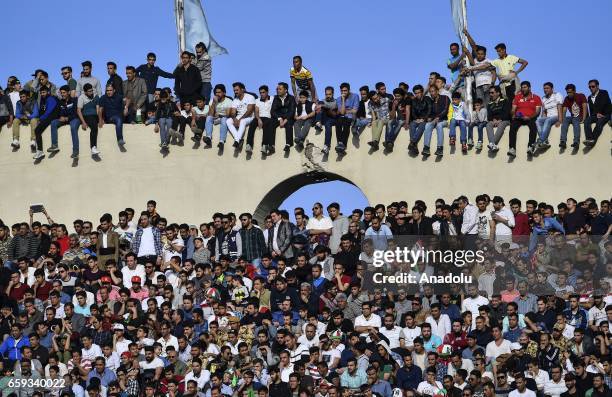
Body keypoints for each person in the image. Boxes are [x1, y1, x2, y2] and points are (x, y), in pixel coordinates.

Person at [508, 81, 542, 157]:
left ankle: (530, 147)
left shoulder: (536, 97)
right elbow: (513, 109)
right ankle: (512, 149)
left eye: (525, 87)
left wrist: (529, 117)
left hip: (530, 118)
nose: (523, 89)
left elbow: (537, 112)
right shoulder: (517, 97)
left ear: (529, 88)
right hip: (519, 118)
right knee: (512, 127)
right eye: (522, 87)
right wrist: (513, 114)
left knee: (533, 127)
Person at [48, 85, 80, 157]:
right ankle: (54, 145)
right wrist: (61, 117)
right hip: (64, 120)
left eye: (64, 92)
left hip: (74, 119)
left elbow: (76, 113)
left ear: (68, 92)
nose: (62, 94)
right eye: (61, 93)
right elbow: (59, 112)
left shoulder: (75, 100)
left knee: (73, 126)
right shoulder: (60, 102)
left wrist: (67, 118)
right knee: (53, 122)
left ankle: (75, 151)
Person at [32, 85, 59, 160]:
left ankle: (40, 151)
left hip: (52, 117)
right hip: (47, 117)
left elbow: (49, 111)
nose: (42, 94)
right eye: (41, 93)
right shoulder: (43, 100)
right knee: (37, 131)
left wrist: (41, 119)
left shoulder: (50, 98)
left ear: (48, 92)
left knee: (37, 130)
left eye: (44, 92)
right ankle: (40, 151)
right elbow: (42, 111)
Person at [246, 85, 275, 155]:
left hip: (268, 118)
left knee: (267, 126)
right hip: (259, 117)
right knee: (252, 124)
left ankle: (264, 145)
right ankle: (249, 145)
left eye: (263, 92)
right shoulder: (257, 100)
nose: (262, 94)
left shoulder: (272, 98)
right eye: (260, 93)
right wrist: (258, 119)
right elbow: (256, 111)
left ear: (267, 92)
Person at [423, 85, 450, 157]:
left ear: (437, 91)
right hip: (435, 120)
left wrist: (438, 117)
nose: (431, 93)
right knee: (428, 125)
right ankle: (426, 148)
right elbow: (431, 113)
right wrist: (429, 118)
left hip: (445, 120)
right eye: (430, 92)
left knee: (439, 125)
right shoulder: (432, 102)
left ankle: (440, 148)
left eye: (433, 91)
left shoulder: (445, 98)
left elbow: (446, 109)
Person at [226, 82, 255, 149]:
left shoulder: (250, 97)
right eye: (234, 90)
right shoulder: (235, 100)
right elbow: (233, 112)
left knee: (243, 121)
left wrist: (240, 119)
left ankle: (236, 140)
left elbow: (249, 111)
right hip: (239, 116)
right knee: (228, 121)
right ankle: (239, 139)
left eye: (237, 90)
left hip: (249, 117)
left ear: (242, 90)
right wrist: (234, 119)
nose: (235, 92)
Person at [583, 79, 611, 147]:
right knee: (587, 121)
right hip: (595, 115)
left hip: (605, 114)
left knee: (599, 123)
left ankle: (592, 140)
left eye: (593, 86)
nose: (591, 88)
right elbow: (591, 110)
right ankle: (589, 139)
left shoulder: (604, 92)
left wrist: (601, 114)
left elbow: (605, 104)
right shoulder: (589, 97)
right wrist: (596, 114)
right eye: (589, 87)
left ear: (597, 86)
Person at [535, 82, 563, 150]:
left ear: (552, 89)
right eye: (544, 88)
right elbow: (544, 111)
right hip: (548, 117)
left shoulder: (557, 95)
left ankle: (541, 140)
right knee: (538, 121)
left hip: (556, 116)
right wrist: (542, 119)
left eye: (547, 88)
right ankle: (544, 141)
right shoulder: (543, 98)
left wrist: (560, 120)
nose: (545, 90)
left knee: (547, 121)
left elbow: (560, 108)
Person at [559, 84, 588, 149]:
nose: (569, 94)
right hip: (573, 117)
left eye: (570, 92)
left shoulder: (581, 96)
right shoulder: (567, 98)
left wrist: (583, 119)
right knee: (565, 120)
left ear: (574, 91)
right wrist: (563, 119)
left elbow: (585, 106)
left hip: (580, 116)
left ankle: (576, 142)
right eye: (567, 92)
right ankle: (563, 141)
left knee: (575, 121)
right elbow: (564, 109)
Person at [205, 84, 233, 149]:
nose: (217, 94)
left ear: (224, 93)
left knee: (224, 119)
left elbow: (228, 114)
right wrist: (214, 103)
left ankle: (221, 141)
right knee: (209, 118)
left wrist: (219, 115)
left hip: (224, 118)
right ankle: (208, 137)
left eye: (219, 92)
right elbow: (210, 114)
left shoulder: (229, 101)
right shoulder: (212, 100)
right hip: (216, 119)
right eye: (216, 92)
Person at [76, 83, 101, 157]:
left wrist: (100, 119)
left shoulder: (96, 96)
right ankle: (93, 147)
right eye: (89, 91)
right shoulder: (81, 98)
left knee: (95, 124)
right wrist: (83, 122)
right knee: (94, 127)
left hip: (94, 116)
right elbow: (78, 111)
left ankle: (94, 147)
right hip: (87, 116)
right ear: (85, 92)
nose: (91, 92)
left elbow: (97, 108)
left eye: (92, 90)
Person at [334, 82, 359, 154]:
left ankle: (343, 144)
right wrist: (343, 100)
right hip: (342, 117)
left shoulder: (355, 96)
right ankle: (340, 143)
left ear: (349, 90)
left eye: (345, 91)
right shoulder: (339, 99)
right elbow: (342, 112)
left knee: (346, 123)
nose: (343, 92)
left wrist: (346, 111)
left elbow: (355, 111)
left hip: (352, 118)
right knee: (338, 122)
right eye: (342, 91)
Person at [271, 82, 296, 153]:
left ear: (285, 90)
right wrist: (279, 118)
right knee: (271, 124)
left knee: (289, 124)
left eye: (280, 89)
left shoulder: (291, 98)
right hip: (278, 118)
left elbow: (292, 111)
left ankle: (288, 144)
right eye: (277, 89)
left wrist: (285, 120)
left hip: (289, 117)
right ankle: (271, 145)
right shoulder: (275, 98)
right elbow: (273, 111)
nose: (277, 90)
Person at [485, 85, 511, 152]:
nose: (490, 94)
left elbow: (507, 113)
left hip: (505, 120)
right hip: (494, 120)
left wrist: (500, 119)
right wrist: (493, 120)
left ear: (498, 93)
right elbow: (489, 116)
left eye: (492, 93)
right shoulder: (490, 104)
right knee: (488, 124)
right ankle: (492, 144)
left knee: (501, 124)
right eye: (490, 93)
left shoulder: (505, 101)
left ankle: (493, 143)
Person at [408, 84, 432, 154]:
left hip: (425, 119)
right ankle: (414, 146)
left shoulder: (427, 98)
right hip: (417, 119)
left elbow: (430, 110)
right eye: (415, 93)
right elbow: (413, 112)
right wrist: (416, 119)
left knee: (422, 125)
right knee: (412, 124)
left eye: (419, 92)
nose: (417, 94)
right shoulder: (413, 101)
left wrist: (424, 119)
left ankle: (412, 142)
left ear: (422, 92)